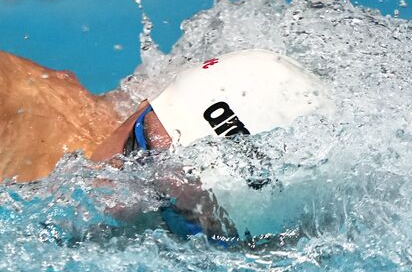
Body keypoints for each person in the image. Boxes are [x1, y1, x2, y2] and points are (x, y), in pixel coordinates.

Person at [0, 49, 334, 241]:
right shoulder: (25, 116)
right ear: (142, 105)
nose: (120, 204)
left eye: (176, 214)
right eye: (139, 152)